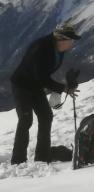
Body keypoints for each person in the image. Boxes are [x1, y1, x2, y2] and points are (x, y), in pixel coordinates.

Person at [10, 23, 81, 165]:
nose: (72, 44)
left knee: (46, 116)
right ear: (61, 39)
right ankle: (18, 160)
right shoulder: (41, 48)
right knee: (25, 120)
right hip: (22, 85)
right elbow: (41, 76)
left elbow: (43, 76)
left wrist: (64, 86)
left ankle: (42, 156)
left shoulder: (57, 49)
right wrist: (63, 88)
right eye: (70, 40)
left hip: (35, 85)